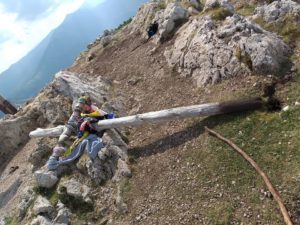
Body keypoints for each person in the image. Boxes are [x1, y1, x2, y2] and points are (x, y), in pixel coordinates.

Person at [47, 95, 114, 170]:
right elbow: (72, 122)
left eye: (83, 105)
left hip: (85, 129)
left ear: (88, 104)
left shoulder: (93, 109)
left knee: (67, 137)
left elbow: (105, 116)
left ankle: (57, 154)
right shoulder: (77, 112)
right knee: (63, 137)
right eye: (81, 105)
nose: (82, 107)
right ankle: (55, 155)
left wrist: (88, 120)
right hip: (76, 126)